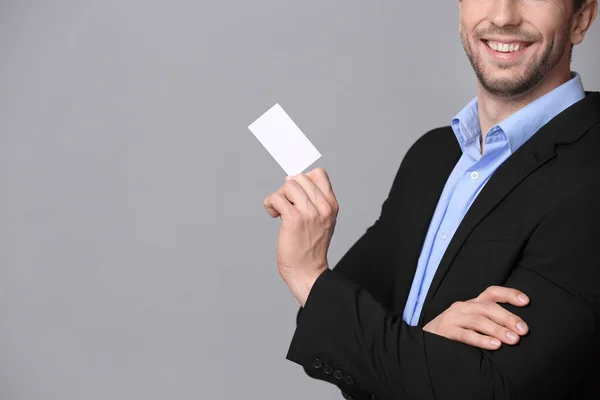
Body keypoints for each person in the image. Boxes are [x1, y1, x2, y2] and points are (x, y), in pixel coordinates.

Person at [263, 0, 599, 399]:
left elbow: (490, 391)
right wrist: (426, 344)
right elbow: (331, 333)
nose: (504, 15)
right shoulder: (431, 157)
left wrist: (306, 273)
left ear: (581, 18)